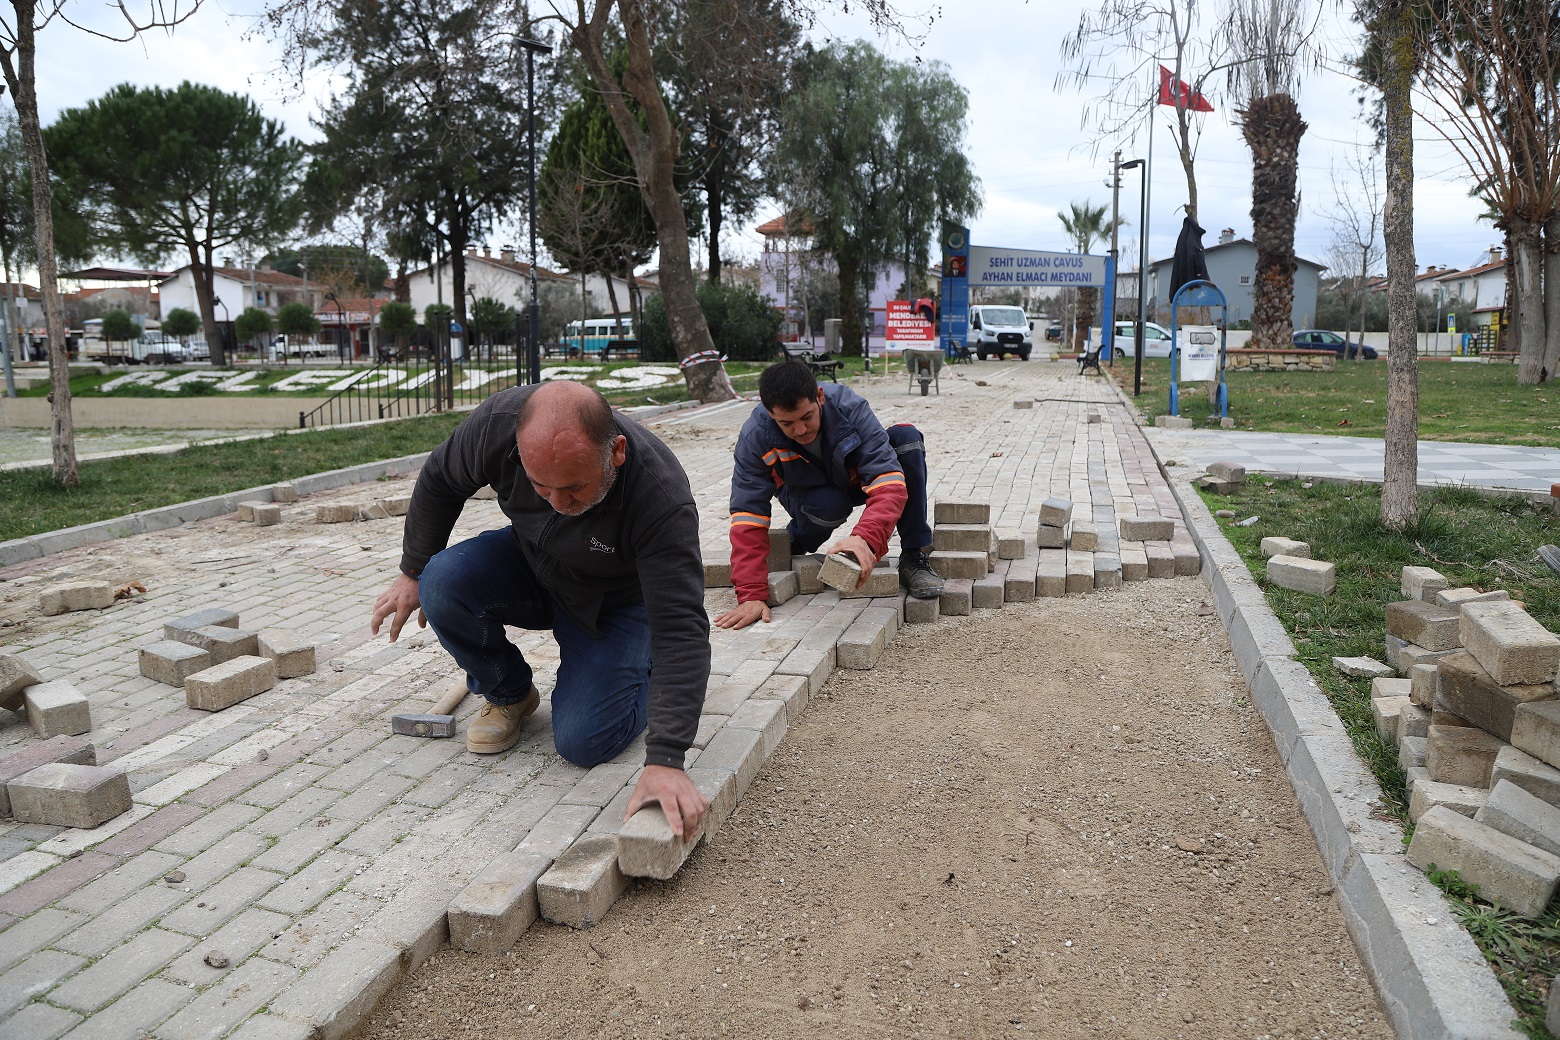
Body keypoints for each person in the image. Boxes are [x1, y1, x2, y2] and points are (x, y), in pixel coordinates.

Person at [370, 381, 710, 836]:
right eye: (540, 487)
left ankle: (638, 671)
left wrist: (666, 756)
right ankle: (509, 694)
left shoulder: (660, 498)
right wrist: (412, 570)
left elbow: (682, 629)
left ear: (617, 453)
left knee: (583, 741)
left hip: (616, 603)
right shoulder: (497, 426)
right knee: (441, 581)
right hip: (535, 565)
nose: (557, 503)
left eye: (573, 488)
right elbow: (440, 479)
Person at [714, 361, 943, 631]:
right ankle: (799, 538)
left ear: (820, 397)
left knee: (906, 438)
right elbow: (747, 515)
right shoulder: (755, 437)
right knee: (829, 505)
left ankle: (914, 556)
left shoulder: (850, 409)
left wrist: (866, 540)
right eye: (787, 423)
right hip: (808, 493)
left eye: (807, 417)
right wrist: (751, 594)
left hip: (856, 480)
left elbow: (888, 481)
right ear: (770, 413)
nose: (800, 431)